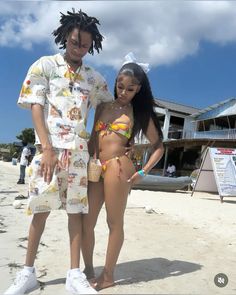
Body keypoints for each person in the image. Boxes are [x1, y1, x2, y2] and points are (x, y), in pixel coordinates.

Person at [4, 8, 113, 295]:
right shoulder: (45, 65)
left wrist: (93, 140)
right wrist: (47, 148)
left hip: (78, 155)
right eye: (75, 42)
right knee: (40, 211)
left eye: (85, 45)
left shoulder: (93, 77)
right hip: (49, 153)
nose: (79, 49)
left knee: (75, 213)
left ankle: (74, 274)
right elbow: (36, 105)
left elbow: (105, 102)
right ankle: (27, 273)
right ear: (66, 36)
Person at [82, 55, 165, 291]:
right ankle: (88, 271)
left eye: (130, 89)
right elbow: (92, 139)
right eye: (120, 86)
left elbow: (159, 146)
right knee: (86, 221)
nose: (124, 92)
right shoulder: (102, 106)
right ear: (115, 81)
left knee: (113, 222)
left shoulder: (140, 113)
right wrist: (81, 165)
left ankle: (108, 276)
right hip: (95, 165)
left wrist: (144, 171)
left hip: (119, 167)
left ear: (139, 89)